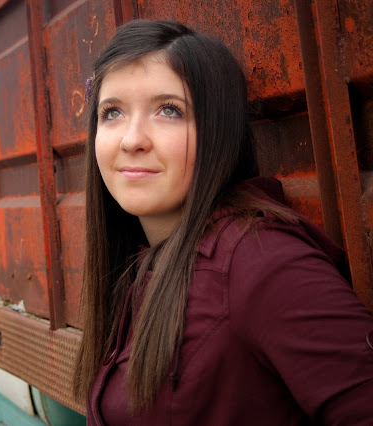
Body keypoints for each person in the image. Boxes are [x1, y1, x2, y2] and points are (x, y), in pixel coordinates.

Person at [73, 19, 373, 425]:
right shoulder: (137, 264)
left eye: (168, 110)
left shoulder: (261, 262)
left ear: (218, 131)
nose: (131, 139)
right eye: (112, 112)